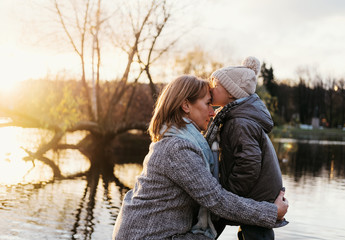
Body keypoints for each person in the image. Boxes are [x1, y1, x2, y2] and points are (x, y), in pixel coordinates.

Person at [112, 75, 288, 240]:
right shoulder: (178, 148)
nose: (213, 113)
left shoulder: (182, 141)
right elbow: (216, 200)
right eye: (208, 104)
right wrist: (271, 212)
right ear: (186, 105)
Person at [206, 56, 287, 240]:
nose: (210, 88)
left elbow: (248, 164)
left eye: (215, 85)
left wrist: (228, 193)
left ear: (231, 93)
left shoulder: (239, 122)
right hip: (256, 192)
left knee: (255, 234)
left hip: (258, 196)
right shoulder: (235, 116)